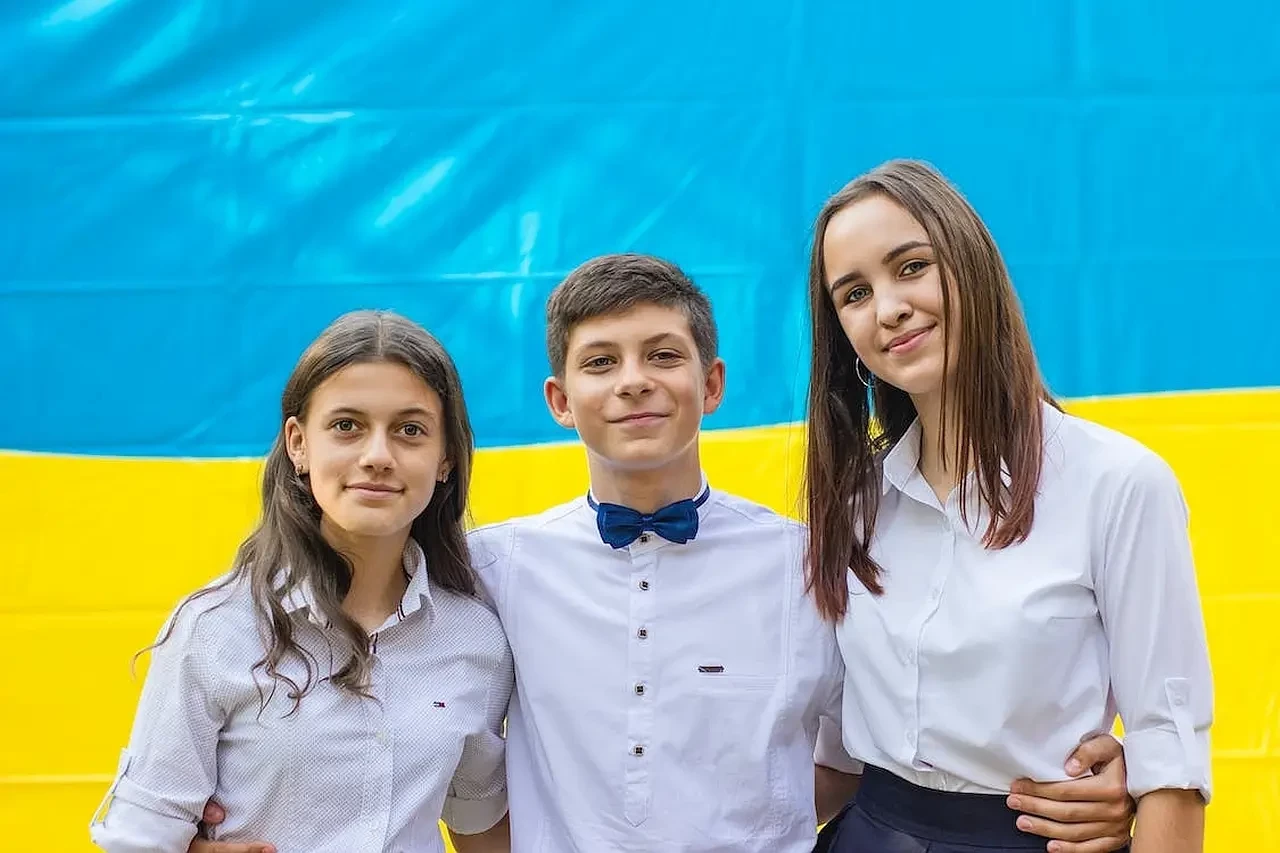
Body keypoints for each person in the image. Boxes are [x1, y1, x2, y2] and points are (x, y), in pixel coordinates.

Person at [187, 256, 1135, 853]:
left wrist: (1096, 772)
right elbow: (379, 704)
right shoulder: (488, 572)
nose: (634, 381)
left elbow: (910, 718)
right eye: (601, 362)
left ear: (712, 383)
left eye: (663, 356)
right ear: (560, 399)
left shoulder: (816, 563)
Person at [804, 160, 1212, 852]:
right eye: (855, 293)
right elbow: (835, 759)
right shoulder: (855, 501)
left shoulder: (1119, 483)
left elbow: (1169, 754)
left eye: (911, 267)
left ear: (972, 266)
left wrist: (1133, 791)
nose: (888, 308)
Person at [88, 311, 514, 853]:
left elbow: (479, 824)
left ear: (446, 457)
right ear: (298, 444)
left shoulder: (477, 640)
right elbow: (138, 840)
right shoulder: (217, 628)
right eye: (346, 426)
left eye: (410, 430)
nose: (377, 457)